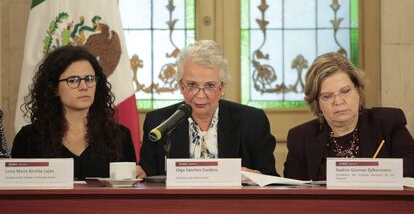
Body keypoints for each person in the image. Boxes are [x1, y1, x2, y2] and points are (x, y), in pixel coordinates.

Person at [138, 40, 277, 177]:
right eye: (192, 85)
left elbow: (270, 178)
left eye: (210, 86)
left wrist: (254, 177)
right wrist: (140, 174)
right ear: (181, 86)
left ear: (221, 87)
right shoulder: (159, 122)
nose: (200, 95)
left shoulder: (252, 121)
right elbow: (147, 178)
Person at [284, 52, 414, 180]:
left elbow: (411, 168)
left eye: (345, 91)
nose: (338, 101)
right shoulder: (301, 138)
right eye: (327, 96)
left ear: (358, 90)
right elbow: (293, 193)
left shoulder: (387, 123)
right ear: (317, 103)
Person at [11, 46, 136, 179]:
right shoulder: (29, 138)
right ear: (54, 88)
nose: (84, 87)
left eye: (89, 79)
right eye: (73, 80)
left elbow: (129, 192)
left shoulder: (119, 136)